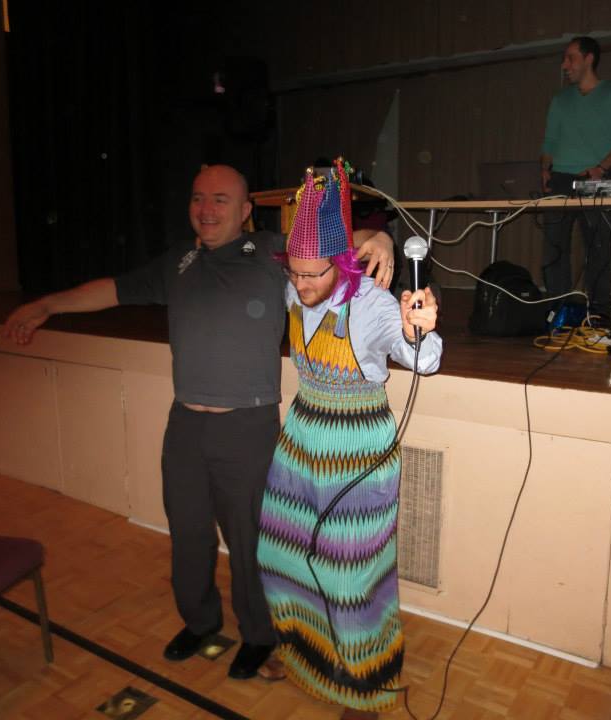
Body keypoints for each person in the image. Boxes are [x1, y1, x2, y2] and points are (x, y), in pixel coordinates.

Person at [4, 164, 395, 680]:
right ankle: (201, 621)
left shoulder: (271, 253)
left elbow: (335, 245)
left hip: (247, 425)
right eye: (198, 198)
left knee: (248, 541)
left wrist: (379, 238)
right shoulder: (179, 262)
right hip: (185, 424)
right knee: (188, 533)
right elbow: (114, 289)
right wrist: (47, 305)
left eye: (220, 200)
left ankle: (259, 635)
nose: (206, 210)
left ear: (245, 210)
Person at [256, 161, 442, 719]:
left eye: (312, 275)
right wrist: (374, 236)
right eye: (293, 274)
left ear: (340, 265)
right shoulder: (297, 290)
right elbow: (328, 249)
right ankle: (303, 653)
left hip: (358, 452)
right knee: (282, 553)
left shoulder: (373, 305)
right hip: (301, 440)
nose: (301, 285)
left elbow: (423, 360)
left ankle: (365, 682)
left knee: (350, 574)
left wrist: (418, 330)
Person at [540, 35, 611, 313]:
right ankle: (558, 309)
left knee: (599, 248)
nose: (564, 65)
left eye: (571, 58)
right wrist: (545, 167)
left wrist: (601, 168)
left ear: (589, 58)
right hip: (559, 179)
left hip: (596, 179)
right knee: (554, 249)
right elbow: (549, 142)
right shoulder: (560, 99)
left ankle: (598, 312)